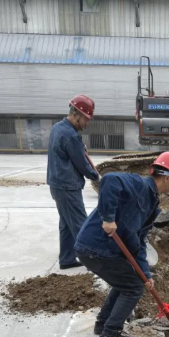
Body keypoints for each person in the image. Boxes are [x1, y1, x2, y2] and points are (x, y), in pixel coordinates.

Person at [75, 152, 169, 337]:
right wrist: (108, 218)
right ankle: (110, 336)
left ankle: (103, 324)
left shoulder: (151, 203)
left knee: (126, 282)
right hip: (96, 247)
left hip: (101, 250)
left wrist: (145, 274)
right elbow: (109, 180)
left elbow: (139, 243)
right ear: (168, 177)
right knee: (133, 288)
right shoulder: (139, 184)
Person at [47, 95, 100, 270]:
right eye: (86, 119)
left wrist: (79, 147)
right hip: (67, 186)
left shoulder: (58, 128)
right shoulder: (71, 135)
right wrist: (97, 177)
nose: (87, 123)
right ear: (76, 114)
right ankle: (95, 262)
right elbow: (82, 164)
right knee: (81, 225)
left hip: (57, 185)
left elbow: (68, 153)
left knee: (66, 224)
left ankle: (67, 259)